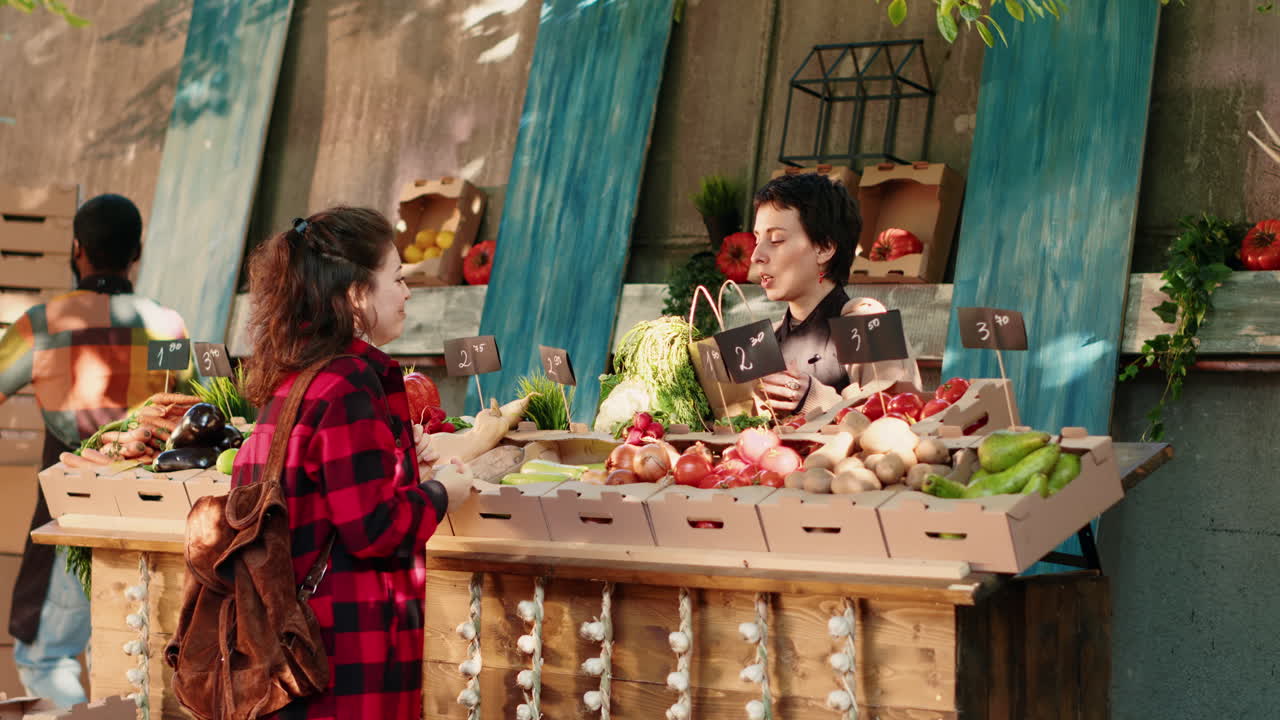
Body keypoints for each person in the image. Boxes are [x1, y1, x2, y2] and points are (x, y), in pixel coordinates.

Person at [232, 207, 471, 719]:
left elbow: (331, 500)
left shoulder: (293, 379)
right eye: (398, 278)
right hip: (342, 661)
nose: (408, 292)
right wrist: (444, 491)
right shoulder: (349, 385)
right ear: (357, 293)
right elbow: (373, 529)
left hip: (292, 654)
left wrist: (405, 472)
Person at [0, 194, 189, 706]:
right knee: (136, 656)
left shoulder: (40, 324)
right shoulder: (167, 325)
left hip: (72, 510)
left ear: (77, 250)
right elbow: (203, 401)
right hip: (150, 519)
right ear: (137, 253)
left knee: (43, 655)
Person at [749, 172, 922, 416]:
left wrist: (816, 400)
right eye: (756, 239)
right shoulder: (769, 339)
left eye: (776, 239)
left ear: (824, 248)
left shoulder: (869, 323)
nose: (756, 256)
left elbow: (896, 418)